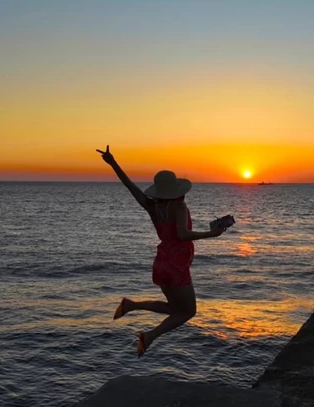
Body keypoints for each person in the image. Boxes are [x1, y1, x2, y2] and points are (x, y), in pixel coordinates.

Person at [96, 145, 226, 358]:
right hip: (176, 264)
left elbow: (131, 187)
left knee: (174, 309)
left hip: (162, 262)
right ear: (176, 189)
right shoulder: (179, 207)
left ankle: (131, 305)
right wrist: (212, 234)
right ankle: (150, 336)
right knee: (188, 312)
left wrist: (113, 163)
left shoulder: (152, 206)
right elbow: (183, 235)